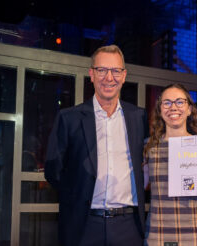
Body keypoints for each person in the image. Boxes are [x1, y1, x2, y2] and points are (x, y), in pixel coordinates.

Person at [44, 45, 148, 246]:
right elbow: (53, 171)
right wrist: (78, 194)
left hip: (129, 226)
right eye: (102, 70)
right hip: (84, 226)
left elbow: (148, 165)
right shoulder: (69, 118)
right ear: (91, 74)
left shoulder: (139, 117)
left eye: (116, 71)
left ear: (124, 75)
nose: (109, 77)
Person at [143, 83, 197, 246]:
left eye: (180, 102)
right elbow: (142, 187)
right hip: (158, 233)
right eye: (167, 102)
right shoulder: (149, 147)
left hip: (196, 231)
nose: (173, 107)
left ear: (189, 109)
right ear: (160, 109)